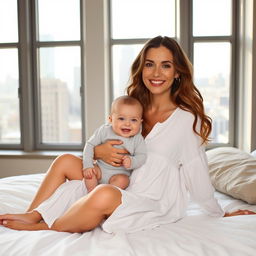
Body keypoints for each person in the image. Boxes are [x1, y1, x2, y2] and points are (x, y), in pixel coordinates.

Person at [0, 36, 255, 233]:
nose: (156, 73)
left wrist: (218, 212)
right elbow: (102, 144)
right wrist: (99, 152)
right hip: (116, 178)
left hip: (150, 199)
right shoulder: (133, 106)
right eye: (150, 65)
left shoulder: (187, 119)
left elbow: (196, 170)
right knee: (65, 161)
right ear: (141, 69)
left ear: (177, 72)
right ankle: (33, 214)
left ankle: (45, 227)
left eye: (165, 66)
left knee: (104, 195)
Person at [82, 95, 146, 192]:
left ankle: (104, 194)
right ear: (111, 119)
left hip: (118, 175)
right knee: (90, 174)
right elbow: (89, 145)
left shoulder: (137, 139)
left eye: (133, 120)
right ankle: (91, 194)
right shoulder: (104, 131)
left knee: (124, 180)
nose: (127, 123)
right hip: (100, 169)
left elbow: (142, 156)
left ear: (140, 122)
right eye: (121, 118)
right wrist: (88, 165)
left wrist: (132, 161)